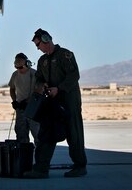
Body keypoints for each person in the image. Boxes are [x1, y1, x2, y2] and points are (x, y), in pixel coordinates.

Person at [24, 28, 87, 179]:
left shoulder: (65, 55)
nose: (38, 48)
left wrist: (59, 89)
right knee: (47, 133)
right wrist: (43, 85)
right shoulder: (42, 61)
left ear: (46, 40)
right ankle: (41, 168)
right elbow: (38, 78)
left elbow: (74, 75)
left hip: (69, 101)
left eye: (38, 44)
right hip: (52, 103)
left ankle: (80, 166)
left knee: (74, 133)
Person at [9, 53, 40, 144]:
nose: (19, 70)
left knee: (37, 133)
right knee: (21, 133)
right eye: (17, 68)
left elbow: (39, 90)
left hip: (33, 108)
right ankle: (24, 155)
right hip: (20, 109)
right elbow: (12, 89)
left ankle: (40, 156)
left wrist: (28, 101)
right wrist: (14, 101)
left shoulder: (34, 74)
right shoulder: (15, 75)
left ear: (27, 64)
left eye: (21, 67)